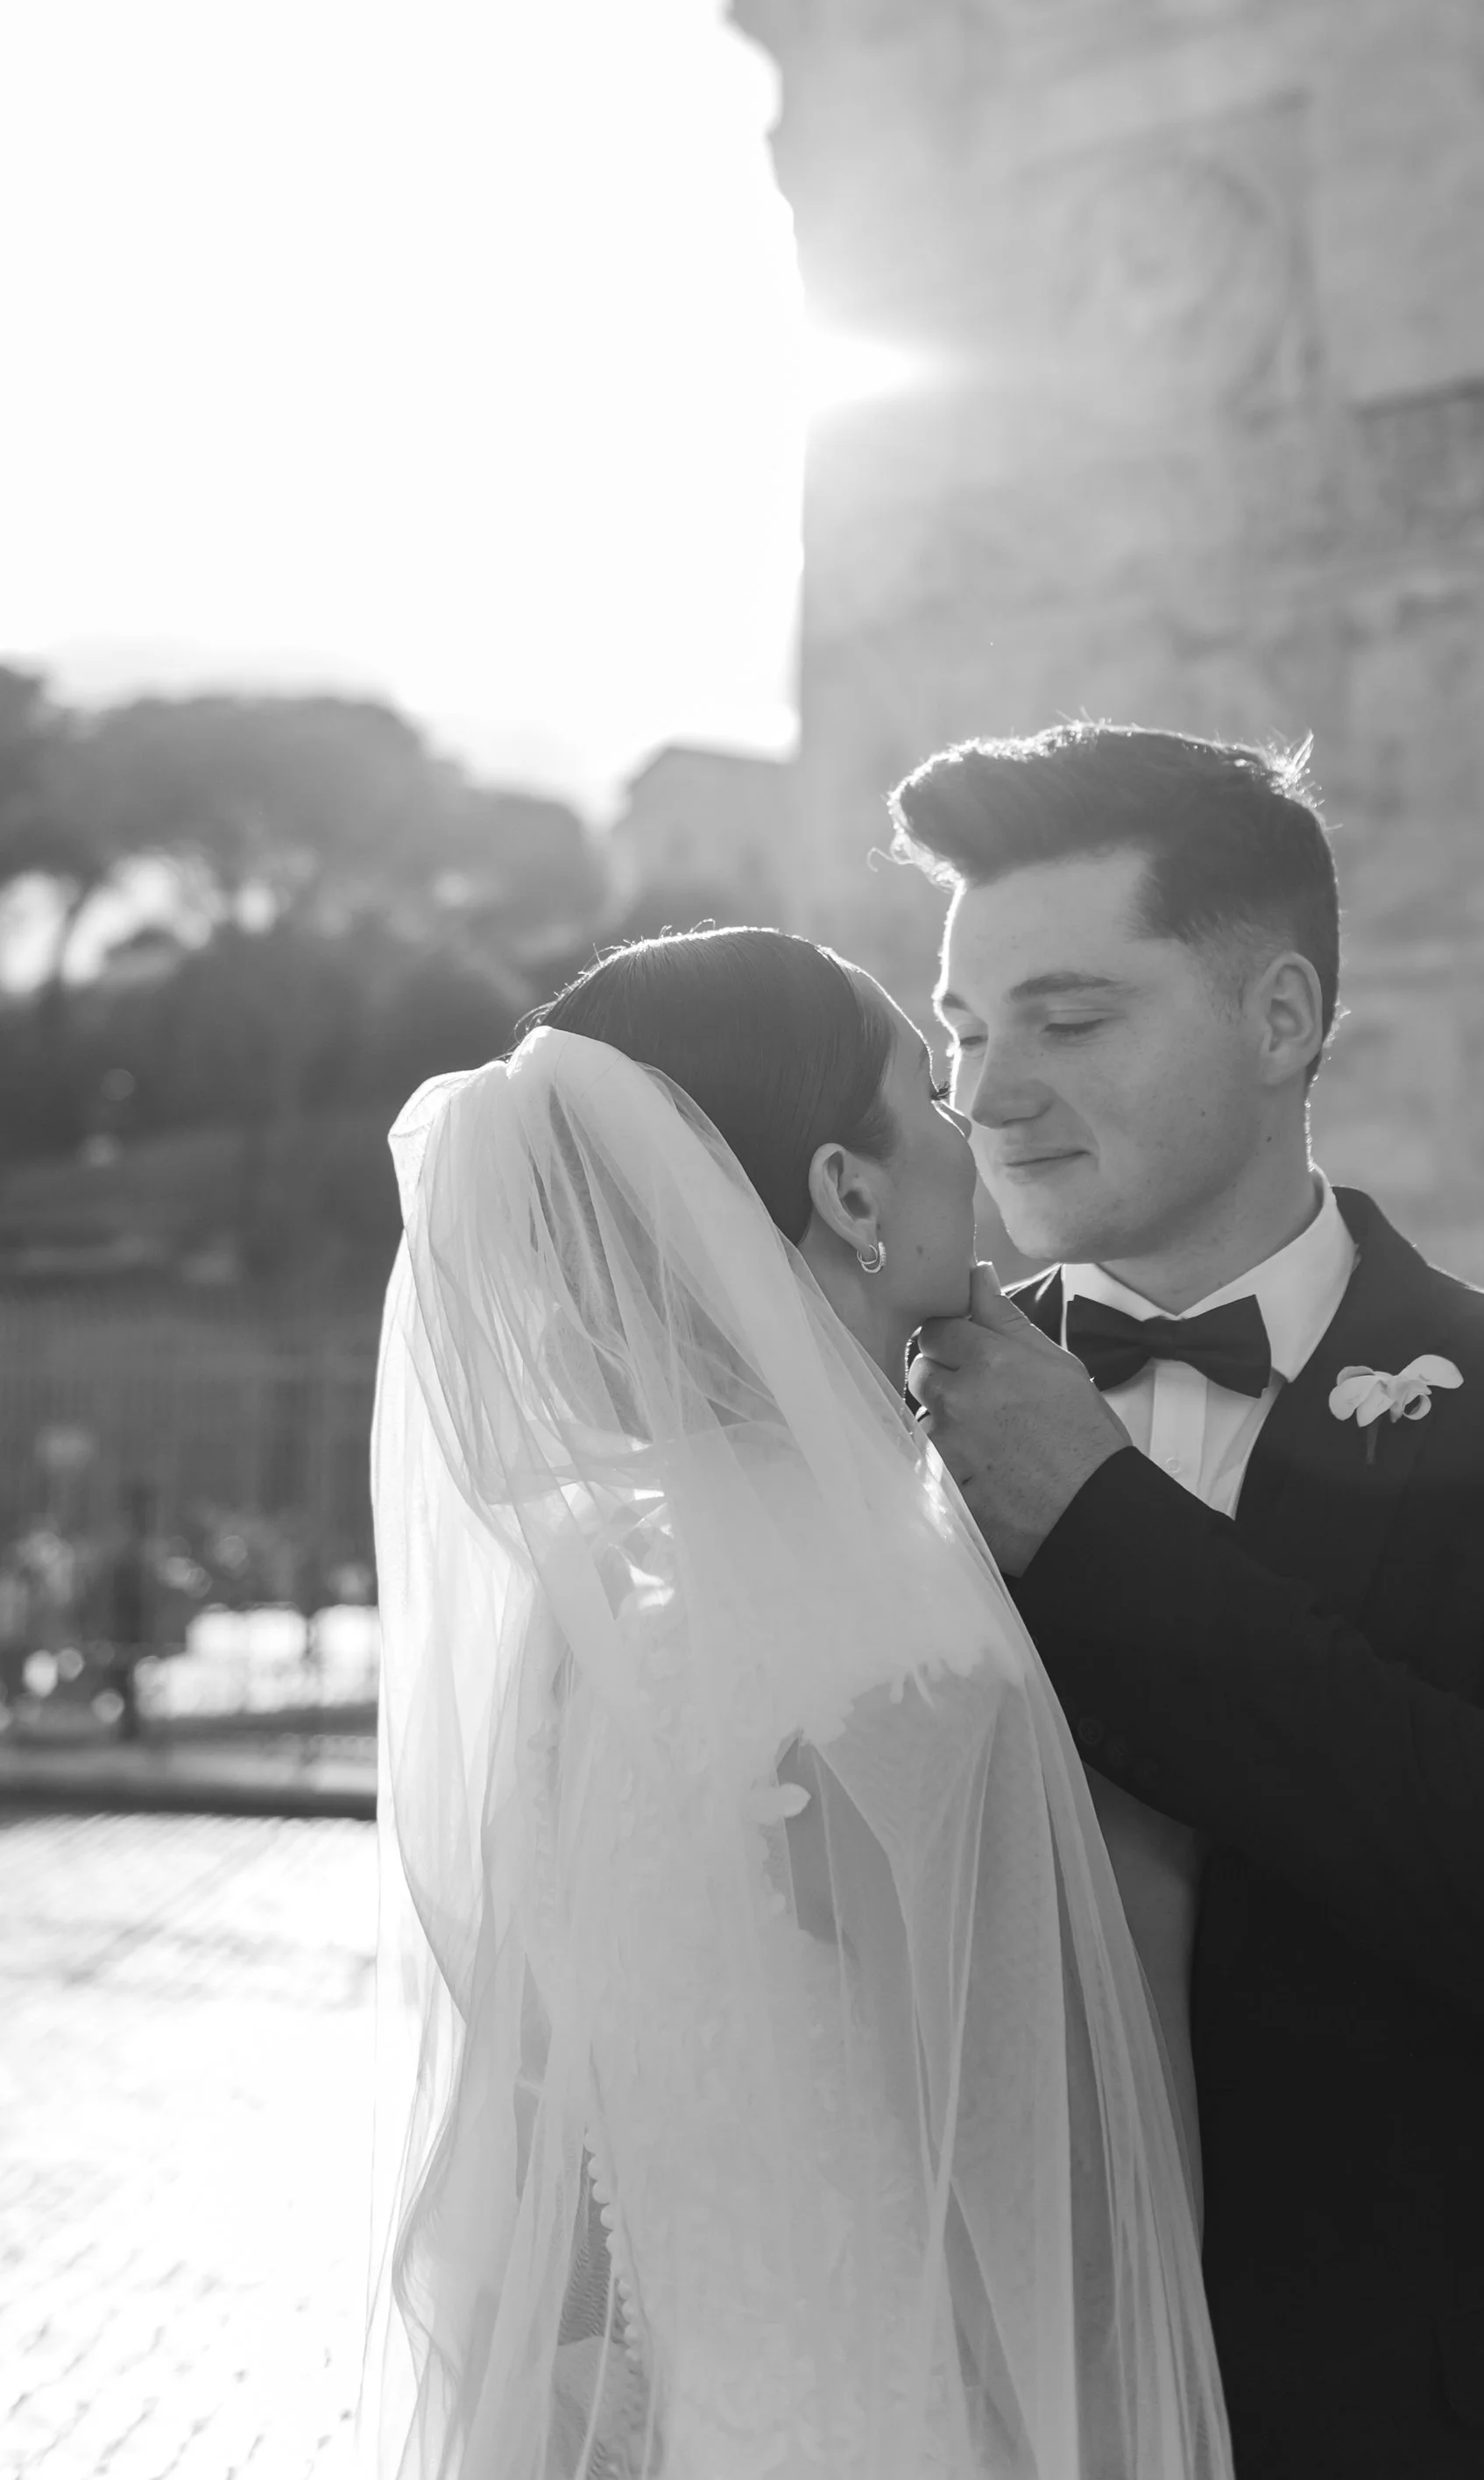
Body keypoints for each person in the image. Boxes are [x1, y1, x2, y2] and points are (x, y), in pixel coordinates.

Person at [896, 724, 1484, 2480]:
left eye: (1068, 1018)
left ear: (1279, 1019)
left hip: (1423, 2428)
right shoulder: (882, 1417)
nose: (988, 1095)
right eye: (962, 1035)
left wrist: (1101, 1524)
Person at [364, 923, 1231, 2480]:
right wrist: (1154, 1894)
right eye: (930, 1092)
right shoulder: (901, 1662)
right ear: (847, 1190)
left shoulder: (588, 1643)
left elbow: (560, 2201)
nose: (970, 1121)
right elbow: (1069, 2262)